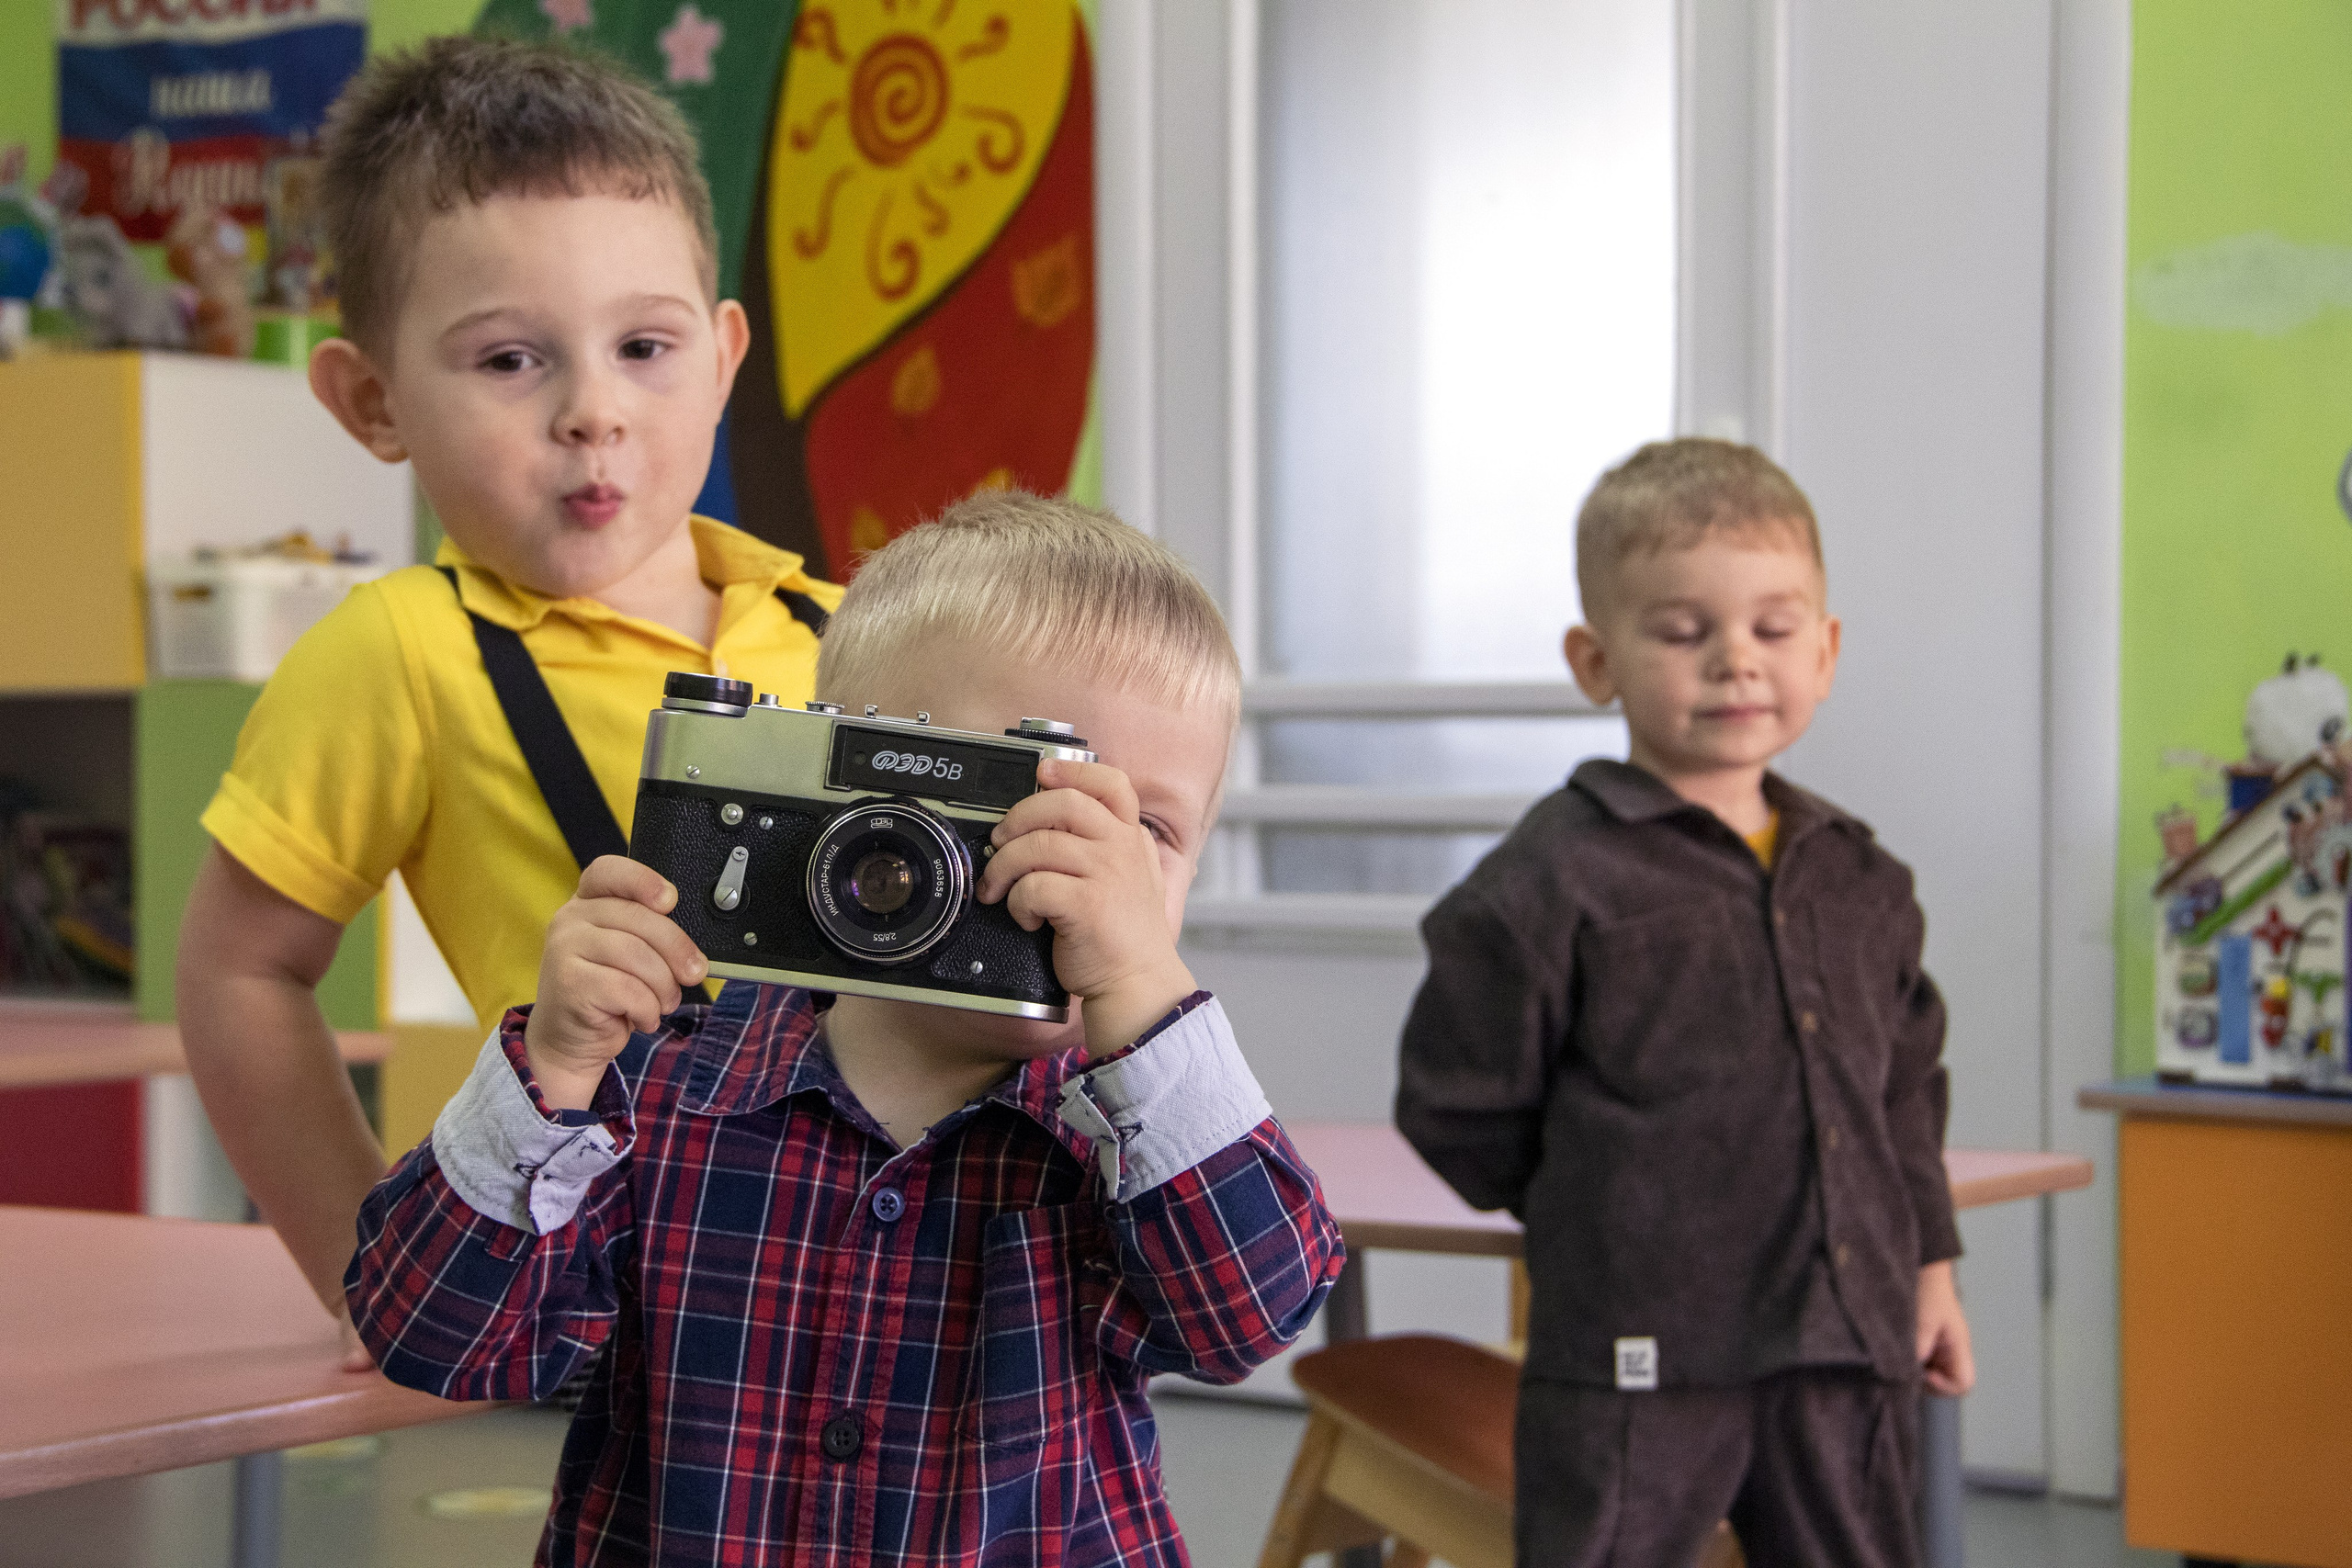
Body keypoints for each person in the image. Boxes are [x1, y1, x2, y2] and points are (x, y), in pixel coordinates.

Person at [346, 492, 1345, 1566]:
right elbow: (430, 1337)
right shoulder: (658, 1088)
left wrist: (1149, 994)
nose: (1092, 870)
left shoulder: (1134, 1136)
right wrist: (551, 1066)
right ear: (856, 802)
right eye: (1025, 804)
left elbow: (1250, 1319)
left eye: (1148, 827)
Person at [175, 37, 838, 1362]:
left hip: (892, 1295)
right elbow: (238, 966)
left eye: (644, 345)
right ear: (372, 399)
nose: (593, 411)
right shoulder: (404, 652)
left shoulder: (848, 623)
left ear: (720, 358)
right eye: (508, 362)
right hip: (626, 1336)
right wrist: (371, 1258)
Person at [1396, 439, 1973, 1568]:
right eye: (1681, 631)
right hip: (1634, 1367)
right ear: (1595, 659)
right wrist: (1613, 1214)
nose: (1734, 664)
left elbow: (1903, 1097)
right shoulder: (1543, 886)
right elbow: (1459, 1111)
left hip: (1843, 1347)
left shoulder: (1862, 880)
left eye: (1772, 628)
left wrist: (1930, 1273)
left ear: (1826, 648)